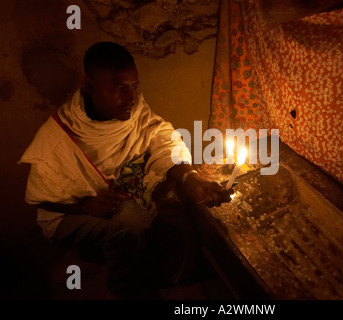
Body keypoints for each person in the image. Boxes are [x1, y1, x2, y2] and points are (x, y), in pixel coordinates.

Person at [19, 41, 233, 297]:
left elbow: (160, 138)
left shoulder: (134, 109)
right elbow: (43, 203)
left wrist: (190, 178)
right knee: (128, 217)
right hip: (68, 214)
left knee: (176, 205)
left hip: (121, 196)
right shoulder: (58, 137)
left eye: (134, 87)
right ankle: (128, 289)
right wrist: (85, 206)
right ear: (90, 84)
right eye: (119, 89)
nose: (131, 98)